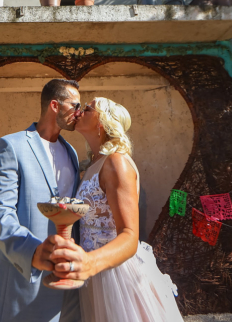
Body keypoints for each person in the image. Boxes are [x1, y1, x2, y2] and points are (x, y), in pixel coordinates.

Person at [50, 97, 184, 322]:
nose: (80, 110)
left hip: (118, 275)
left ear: (102, 121)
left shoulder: (116, 162)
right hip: (94, 275)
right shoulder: (92, 164)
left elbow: (130, 237)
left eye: (88, 108)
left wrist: (91, 263)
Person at [0, 79, 83, 322]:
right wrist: (32, 252)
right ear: (54, 105)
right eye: (75, 105)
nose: (79, 113)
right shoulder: (12, 146)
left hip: (67, 291)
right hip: (24, 282)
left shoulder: (72, 152)